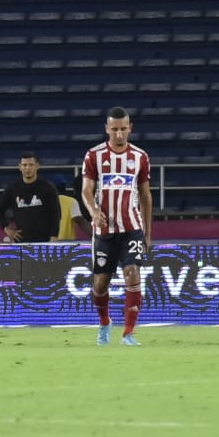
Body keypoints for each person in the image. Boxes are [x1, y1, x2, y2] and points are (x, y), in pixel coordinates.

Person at [81, 106, 153, 346]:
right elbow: (86, 190)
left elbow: (145, 195)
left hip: (131, 226)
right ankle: (104, 322)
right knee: (101, 284)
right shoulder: (94, 156)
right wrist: (93, 212)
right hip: (104, 231)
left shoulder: (140, 157)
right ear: (106, 129)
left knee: (132, 273)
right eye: (114, 130)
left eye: (123, 129)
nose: (119, 134)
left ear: (130, 128)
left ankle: (128, 333)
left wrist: (147, 233)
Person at [0, 151, 62, 243]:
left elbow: (56, 214)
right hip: (22, 242)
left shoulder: (48, 187)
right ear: (20, 167)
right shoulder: (13, 189)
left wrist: (54, 236)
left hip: (45, 241)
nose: (27, 168)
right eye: (24, 165)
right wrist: (6, 228)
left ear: (37, 166)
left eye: (31, 165)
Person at [52, 175, 93, 240]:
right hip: (67, 244)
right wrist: (95, 236)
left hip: (47, 243)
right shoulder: (70, 201)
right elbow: (80, 221)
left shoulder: (42, 201)